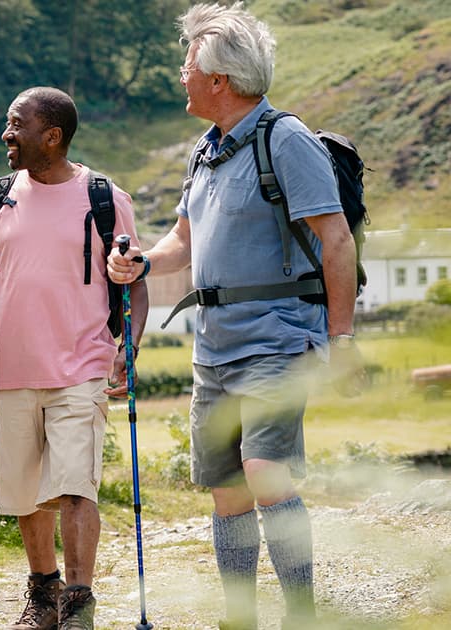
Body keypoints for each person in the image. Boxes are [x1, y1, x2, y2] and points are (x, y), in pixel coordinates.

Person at [107, 4, 364, 629]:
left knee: (265, 472)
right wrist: (141, 264)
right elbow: (182, 243)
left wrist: (343, 338)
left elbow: (336, 241)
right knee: (227, 489)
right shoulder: (205, 150)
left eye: (188, 64)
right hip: (214, 345)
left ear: (219, 79)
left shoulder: (288, 140)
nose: (181, 73)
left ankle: (300, 613)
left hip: (278, 338)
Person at [0, 86, 148, 630]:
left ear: (52, 136)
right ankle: (44, 594)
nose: (6, 134)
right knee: (24, 493)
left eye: (17, 125)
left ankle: (78, 603)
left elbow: (133, 279)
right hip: (10, 368)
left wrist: (128, 343)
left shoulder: (104, 198)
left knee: (75, 485)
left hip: (80, 366)